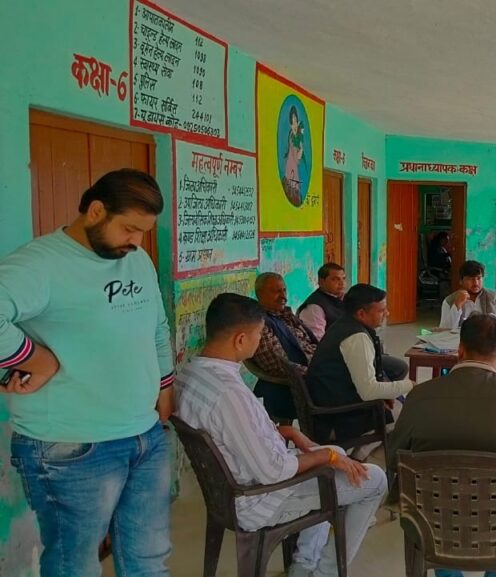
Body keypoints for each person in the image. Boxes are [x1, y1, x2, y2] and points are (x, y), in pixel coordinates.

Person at [1, 169, 174, 577]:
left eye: (144, 232)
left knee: (148, 559)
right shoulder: (41, 263)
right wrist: (36, 358)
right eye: (129, 228)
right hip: (70, 446)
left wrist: (164, 386)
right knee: (74, 566)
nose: (137, 242)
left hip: (144, 437)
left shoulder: (137, 259)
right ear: (95, 211)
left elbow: (157, 326)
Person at [175, 293, 386, 577]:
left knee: (332, 455)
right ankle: (326, 572)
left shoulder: (191, 373)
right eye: (259, 334)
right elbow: (273, 471)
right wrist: (326, 456)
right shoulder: (229, 394)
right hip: (258, 498)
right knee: (373, 480)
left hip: (231, 485)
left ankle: (304, 563)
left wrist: (287, 432)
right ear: (240, 339)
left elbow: (232, 433)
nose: (259, 341)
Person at [387, 314, 496, 577]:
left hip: (431, 526)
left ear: (459, 351)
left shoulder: (420, 396)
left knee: (439, 513)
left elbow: (393, 460)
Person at [305, 283, 415, 443]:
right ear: (362, 313)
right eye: (381, 311)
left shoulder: (344, 324)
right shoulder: (356, 338)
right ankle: (364, 452)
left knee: (399, 402)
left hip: (332, 406)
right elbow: (368, 391)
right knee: (412, 415)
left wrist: (387, 392)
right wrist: (411, 385)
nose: (387, 314)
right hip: (337, 418)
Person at [250, 271, 318, 421]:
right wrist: (318, 372)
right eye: (275, 291)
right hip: (297, 385)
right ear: (260, 294)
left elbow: (310, 343)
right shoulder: (260, 324)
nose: (283, 296)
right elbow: (279, 365)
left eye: (284, 290)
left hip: (315, 369)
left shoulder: (284, 315)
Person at [439, 260, 496, 330]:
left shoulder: (494, 298)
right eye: (470, 279)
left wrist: (493, 320)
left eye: (479, 278)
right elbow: (443, 331)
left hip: (488, 340)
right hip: (461, 340)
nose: (476, 283)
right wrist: (457, 305)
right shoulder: (449, 301)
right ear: (461, 281)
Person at [298, 263, 348, 340]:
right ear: (321, 282)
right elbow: (317, 340)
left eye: (343, 278)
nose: (342, 283)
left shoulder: (345, 299)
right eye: (335, 279)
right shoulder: (314, 307)